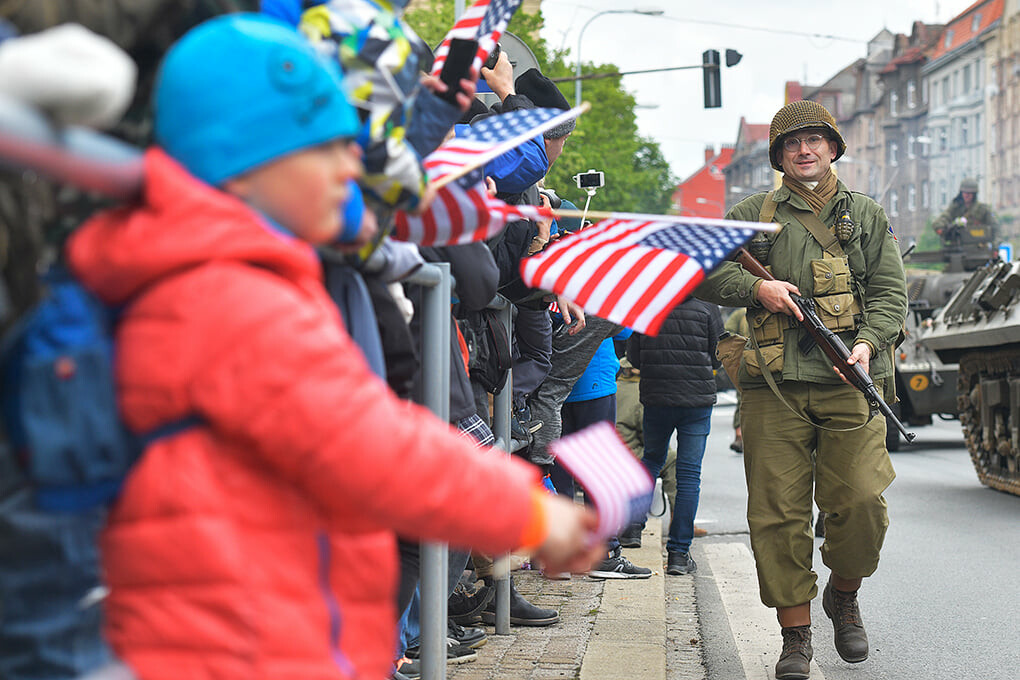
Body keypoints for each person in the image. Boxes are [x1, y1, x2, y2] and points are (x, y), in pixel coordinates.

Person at [63, 15, 602, 680]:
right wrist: (526, 512)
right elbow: (371, 445)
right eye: (326, 148)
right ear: (246, 168)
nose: (354, 164)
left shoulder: (204, 268)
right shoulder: (234, 297)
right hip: (243, 646)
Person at [695, 100, 907, 680]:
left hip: (850, 381)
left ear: (833, 148)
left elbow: (889, 294)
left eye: (815, 140)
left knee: (862, 503)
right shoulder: (752, 214)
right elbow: (703, 270)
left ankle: (843, 593)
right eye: (792, 143)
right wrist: (756, 290)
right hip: (773, 386)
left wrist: (867, 345)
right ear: (779, 156)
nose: (804, 150)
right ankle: (795, 634)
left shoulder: (865, 214)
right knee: (777, 515)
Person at [624, 298, 721, 575]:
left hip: (656, 396)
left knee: (652, 459)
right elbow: (718, 354)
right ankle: (678, 554)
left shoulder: (646, 303)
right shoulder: (707, 305)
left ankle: (632, 527)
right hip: (697, 401)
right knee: (689, 474)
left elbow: (634, 357)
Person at [931, 177, 998, 250]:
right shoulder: (956, 208)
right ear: (961, 193)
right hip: (958, 248)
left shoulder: (983, 209)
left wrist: (995, 247)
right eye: (965, 192)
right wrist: (939, 227)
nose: (967, 195)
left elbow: (995, 228)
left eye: (970, 193)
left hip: (978, 249)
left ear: (974, 194)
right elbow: (945, 217)